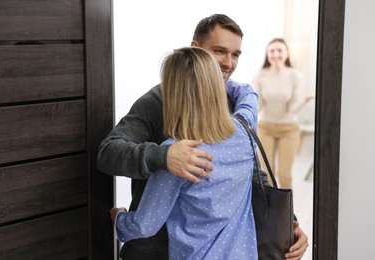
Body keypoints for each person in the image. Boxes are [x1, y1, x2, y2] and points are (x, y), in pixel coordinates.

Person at [98, 14, 308, 259]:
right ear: (195, 50)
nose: (228, 63)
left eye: (235, 54)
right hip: (154, 251)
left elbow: (253, 174)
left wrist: (288, 225)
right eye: (219, 51)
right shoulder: (156, 103)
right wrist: (163, 156)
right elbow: (108, 153)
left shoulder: (234, 108)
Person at [112, 46, 259, 259]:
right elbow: (248, 95)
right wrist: (219, 80)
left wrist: (119, 218)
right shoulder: (244, 132)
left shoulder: (177, 154)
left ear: (172, 94)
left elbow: (145, 226)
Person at [251, 38, 315, 189]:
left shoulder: (295, 76)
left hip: (289, 129)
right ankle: (270, 210)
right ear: (267, 54)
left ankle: (286, 210)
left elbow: (292, 109)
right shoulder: (260, 75)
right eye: (272, 51)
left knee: (285, 175)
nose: (276, 54)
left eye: (280, 50)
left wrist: (306, 99)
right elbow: (258, 106)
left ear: (286, 54)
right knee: (267, 173)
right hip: (266, 127)